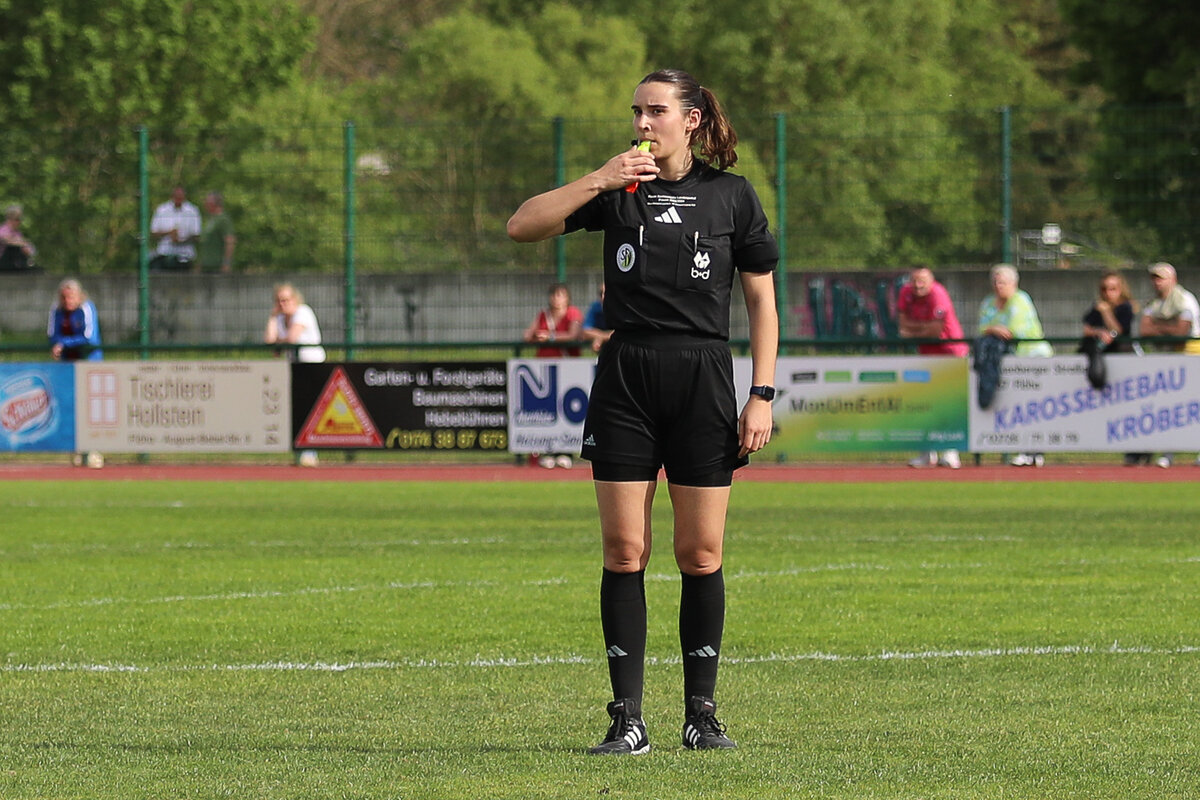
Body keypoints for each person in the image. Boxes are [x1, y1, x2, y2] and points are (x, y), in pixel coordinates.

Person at [507, 68, 778, 754]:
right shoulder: (619, 189)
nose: (641, 123)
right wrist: (598, 179)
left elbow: (762, 304)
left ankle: (702, 715)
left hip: (703, 377)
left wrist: (762, 393)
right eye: (635, 111)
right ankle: (627, 719)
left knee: (700, 552)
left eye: (655, 110)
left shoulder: (732, 197)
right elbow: (521, 225)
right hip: (625, 377)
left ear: (691, 119)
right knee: (625, 552)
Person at [978, 264, 1052, 467]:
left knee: (1032, 405)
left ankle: (1032, 451)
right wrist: (993, 328)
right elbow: (982, 328)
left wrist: (992, 329)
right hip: (1008, 364)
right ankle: (1025, 449)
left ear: (1014, 283)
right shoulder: (988, 302)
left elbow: (1012, 331)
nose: (998, 285)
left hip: (1032, 361)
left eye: (1002, 282)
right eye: (995, 281)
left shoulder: (1020, 300)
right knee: (1014, 406)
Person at [897, 265, 967, 469]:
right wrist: (922, 329)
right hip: (926, 356)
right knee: (924, 404)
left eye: (923, 281)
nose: (918, 286)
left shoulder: (938, 294)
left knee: (949, 405)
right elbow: (902, 326)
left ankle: (951, 452)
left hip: (950, 354)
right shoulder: (906, 293)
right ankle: (927, 453)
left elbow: (936, 330)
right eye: (915, 281)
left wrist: (914, 330)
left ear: (931, 281)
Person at [1138, 263, 1200, 468]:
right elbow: (1144, 330)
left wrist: (1159, 327)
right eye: (1154, 278)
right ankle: (1168, 453)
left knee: (1194, 407)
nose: (1156, 282)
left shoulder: (1184, 300)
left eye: (1160, 278)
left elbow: (1182, 333)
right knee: (1169, 408)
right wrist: (1168, 328)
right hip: (1167, 359)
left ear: (1173, 279)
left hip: (1191, 355)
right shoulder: (1154, 303)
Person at [264, 283, 326, 467]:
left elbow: (291, 339)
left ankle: (309, 453)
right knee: (297, 412)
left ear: (295, 299)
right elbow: (271, 345)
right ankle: (301, 453)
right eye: (279, 301)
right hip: (295, 370)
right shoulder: (280, 318)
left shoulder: (303, 312)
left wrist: (278, 342)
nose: (283, 304)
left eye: (286, 300)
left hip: (312, 368)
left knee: (309, 410)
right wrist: (273, 317)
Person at [48, 279, 103, 468]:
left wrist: (64, 343)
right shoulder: (57, 310)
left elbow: (89, 337)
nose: (67, 300)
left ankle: (94, 450)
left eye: (70, 296)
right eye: (63, 297)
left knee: (90, 408)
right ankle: (77, 450)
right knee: (72, 407)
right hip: (67, 365)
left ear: (78, 296)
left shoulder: (86, 308)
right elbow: (52, 335)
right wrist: (57, 345)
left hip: (88, 364)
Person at [523, 282, 583, 358]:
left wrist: (550, 337)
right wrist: (536, 336)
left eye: (559, 295)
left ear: (567, 298)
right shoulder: (543, 315)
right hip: (543, 359)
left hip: (566, 361)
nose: (555, 298)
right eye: (553, 295)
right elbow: (528, 335)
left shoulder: (573, 313)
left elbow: (572, 335)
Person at [149, 185, 202, 270]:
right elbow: (154, 233)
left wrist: (181, 241)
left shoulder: (192, 211)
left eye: (181, 197)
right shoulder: (161, 210)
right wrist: (169, 233)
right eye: (176, 197)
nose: (178, 200)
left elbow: (196, 235)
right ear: (172, 196)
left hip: (186, 255)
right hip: (164, 254)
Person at [197, 191, 236, 273]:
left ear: (213, 203)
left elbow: (230, 241)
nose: (205, 205)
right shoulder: (211, 220)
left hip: (217, 267)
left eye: (207, 202)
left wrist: (226, 263)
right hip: (206, 267)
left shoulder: (223, 220)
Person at [0, 204, 37, 271]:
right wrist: (21, 243)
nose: (20, 222)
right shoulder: (3, 229)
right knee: (13, 248)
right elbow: (6, 240)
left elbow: (30, 249)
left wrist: (27, 249)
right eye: (17, 219)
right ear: (10, 218)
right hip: (3, 263)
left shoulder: (18, 233)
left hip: (14, 264)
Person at [582, 282, 613, 353]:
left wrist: (600, 338)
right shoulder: (595, 307)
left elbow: (622, 333)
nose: (603, 297)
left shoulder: (623, 308)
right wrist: (603, 336)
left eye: (606, 293)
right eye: (600, 293)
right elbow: (586, 331)